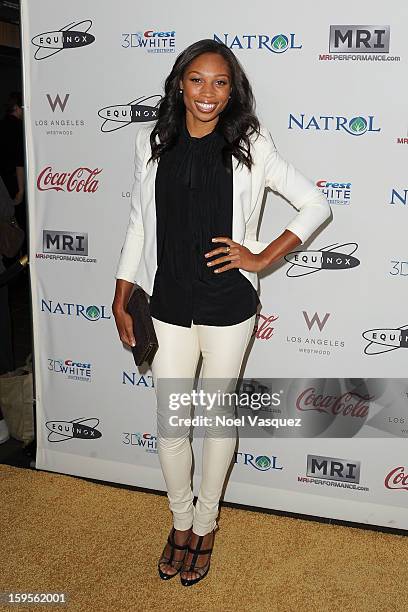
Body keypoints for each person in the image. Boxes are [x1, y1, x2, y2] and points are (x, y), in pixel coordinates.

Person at [113, 39, 331, 586]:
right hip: (166, 301)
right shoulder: (151, 139)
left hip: (229, 304)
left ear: (232, 90)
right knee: (171, 423)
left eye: (220, 82)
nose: (207, 93)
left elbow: (315, 203)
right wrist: (121, 292)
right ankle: (181, 519)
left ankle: (206, 524)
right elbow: (140, 223)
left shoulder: (250, 141)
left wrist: (259, 256)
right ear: (179, 84)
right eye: (196, 80)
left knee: (212, 419)